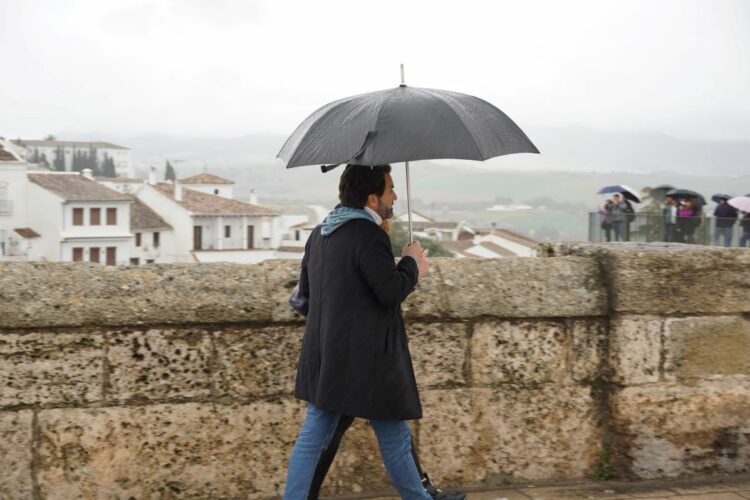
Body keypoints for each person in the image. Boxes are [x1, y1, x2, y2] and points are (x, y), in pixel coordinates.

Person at [284, 164, 465, 500]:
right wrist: (412, 263)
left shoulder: (321, 232)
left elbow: (304, 296)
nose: (395, 195)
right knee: (394, 434)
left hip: (326, 354)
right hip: (368, 359)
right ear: (372, 197)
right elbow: (390, 291)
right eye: (390, 189)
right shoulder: (368, 235)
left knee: (314, 436)